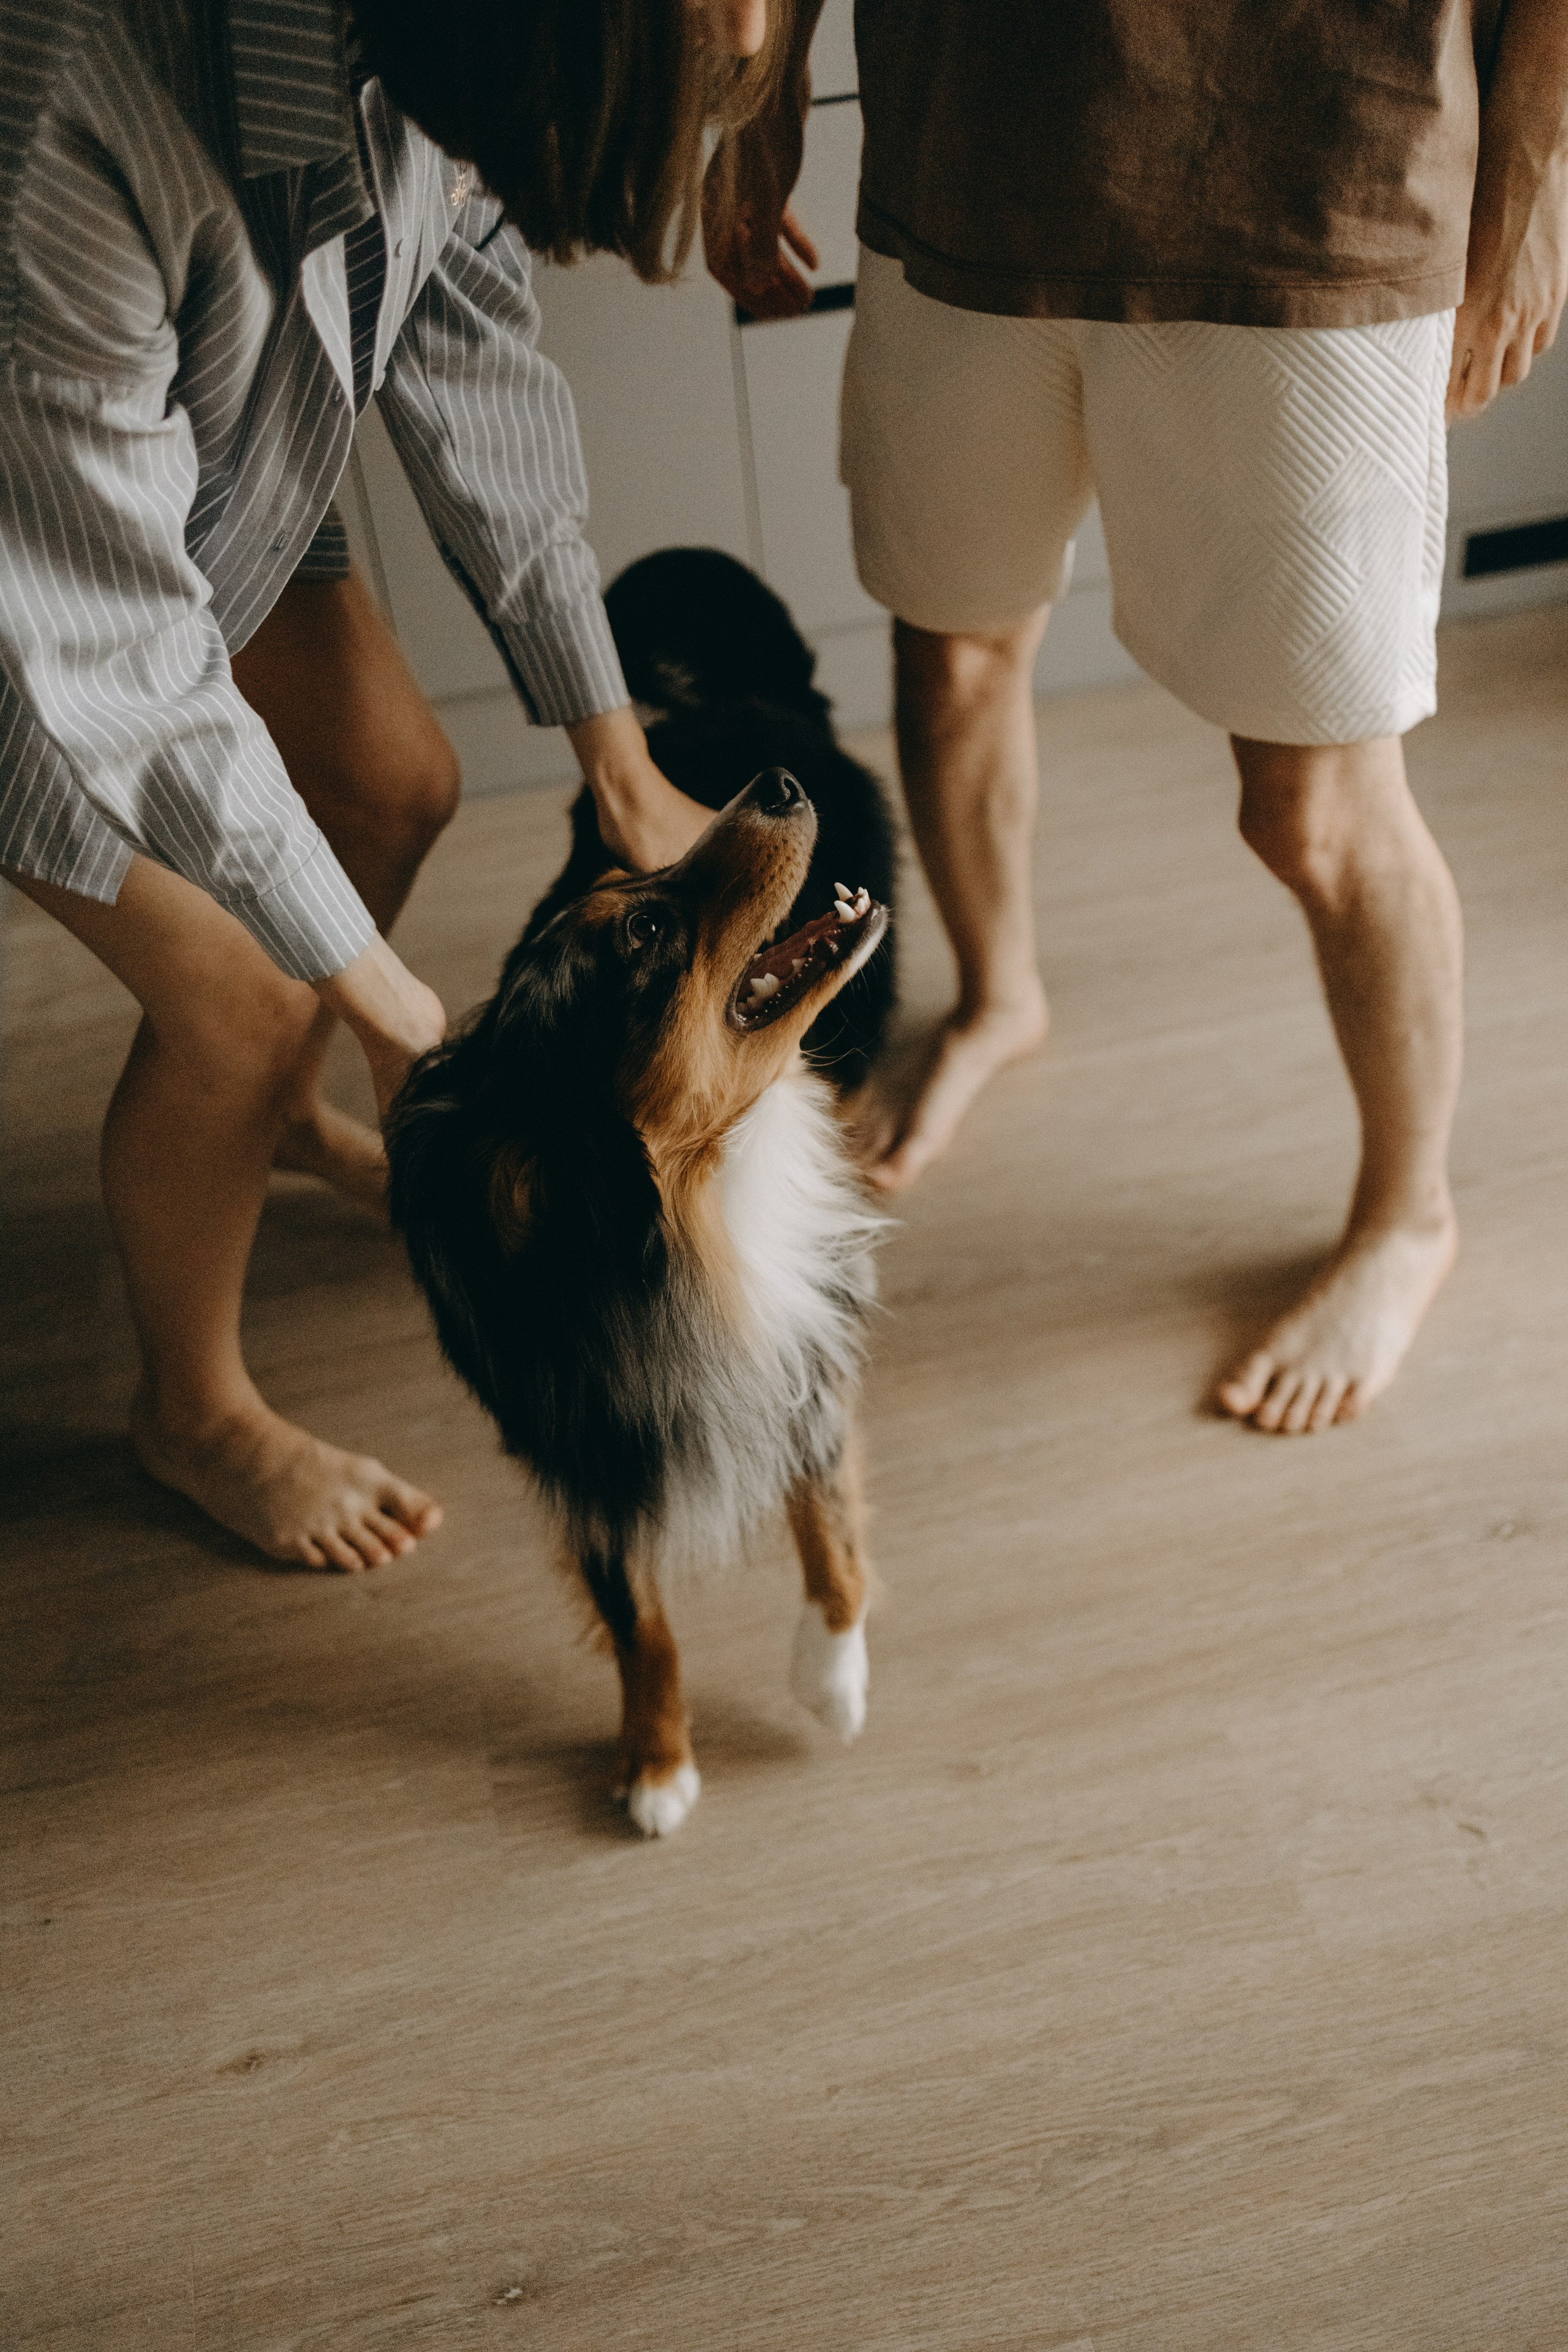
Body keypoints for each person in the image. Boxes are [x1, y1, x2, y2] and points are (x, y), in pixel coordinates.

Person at [706, 0, 1568, 1436]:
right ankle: (999, 996)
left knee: (1316, 810)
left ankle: (1406, 1217)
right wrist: (753, 83)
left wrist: (1532, 184)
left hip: (1318, 179)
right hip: (964, 155)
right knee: (957, 653)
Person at [0, 0, 772, 1566]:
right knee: (249, 989)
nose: (748, 26)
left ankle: (262, 1122)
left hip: (217, 467)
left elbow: (470, 351)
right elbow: (113, 638)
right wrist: (399, 1016)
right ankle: (193, 1408)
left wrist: (618, 766)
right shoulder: (83, 92)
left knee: (398, 782)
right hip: (49, 572)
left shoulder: (447, 56)